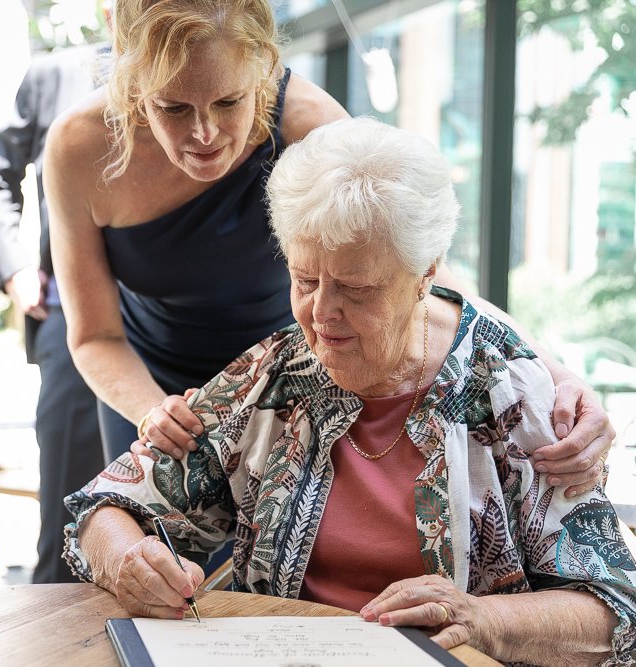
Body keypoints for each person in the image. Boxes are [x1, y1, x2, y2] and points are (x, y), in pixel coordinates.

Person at [63, 117, 636, 665]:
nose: (321, 314)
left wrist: (484, 621)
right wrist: (126, 560)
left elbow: (614, 612)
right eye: (305, 279)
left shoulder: (510, 395)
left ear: (425, 274)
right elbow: (104, 506)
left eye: (357, 289)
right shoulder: (278, 373)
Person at [45, 0, 614, 494]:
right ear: (133, 85)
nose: (204, 134)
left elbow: (416, 272)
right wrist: (152, 412)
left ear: (263, 69)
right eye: (172, 107)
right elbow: (95, 335)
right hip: (147, 389)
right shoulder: (78, 149)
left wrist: (554, 374)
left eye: (228, 102)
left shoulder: (310, 123)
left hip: (288, 381)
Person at [0, 3, 113, 585]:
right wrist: (13, 268)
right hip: (67, 306)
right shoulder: (51, 75)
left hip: (164, 313)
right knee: (66, 484)